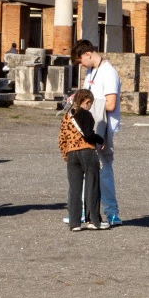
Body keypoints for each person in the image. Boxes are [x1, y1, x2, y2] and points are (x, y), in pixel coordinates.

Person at [72, 40, 123, 226]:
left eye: (80, 61)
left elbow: (110, 104)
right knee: (85, 168)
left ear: (88, 54)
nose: (81, 65)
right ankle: (84, 212)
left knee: (103, 170)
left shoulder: (108, 73)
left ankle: (112, 213)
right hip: (88, 125)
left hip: (102, 126)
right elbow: (87, 96)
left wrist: (88, 105)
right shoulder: (90, 72)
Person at [62, 88, 107, 231]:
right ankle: (93, 220)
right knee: (92, 187)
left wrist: (66, 155)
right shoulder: (86, 114)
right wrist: (100, 139)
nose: (90, 106)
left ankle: (74, 223)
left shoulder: (67, 116)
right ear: (86, 101)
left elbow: (62, 139)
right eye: (90, 103)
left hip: (71, 154)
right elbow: (88, 134)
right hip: (87, 152)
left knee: (74, 189)